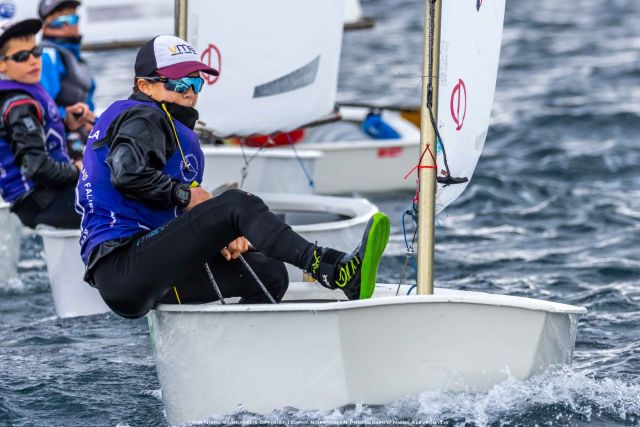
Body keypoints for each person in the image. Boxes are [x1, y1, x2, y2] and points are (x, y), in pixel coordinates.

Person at [76, 35, 391, 319]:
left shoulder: (159, 120)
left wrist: (219, 233)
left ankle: (237, 358)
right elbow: (126, 173)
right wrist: (187, 196)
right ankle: (335, 269)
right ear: (145, 86)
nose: (190, 92)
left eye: (195, 82)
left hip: (150, 271)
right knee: (238, 204)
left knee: (269, 273)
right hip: (124, 266)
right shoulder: (143, 115)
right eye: (178, 83)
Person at [0, 19, 92, 229]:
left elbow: (33, 136)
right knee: (123, 201)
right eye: (22, 57)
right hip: (41, 202)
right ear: (2, 64)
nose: (33, 60)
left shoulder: (23, 95)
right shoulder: (19, 106)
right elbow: (38, 167)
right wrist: (78, 169)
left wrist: (66, 124)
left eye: (36, 52)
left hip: (48, 196)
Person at [38, 0, 95, 159]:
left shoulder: (78, 60)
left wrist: (91, 121)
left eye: (73, 17)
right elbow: (42, 106)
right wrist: (68, 120)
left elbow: (90, 103)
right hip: (62, 137)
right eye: (62, 19)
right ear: (46, 25)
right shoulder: (47, 56)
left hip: (83, 130)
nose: (70, 24)